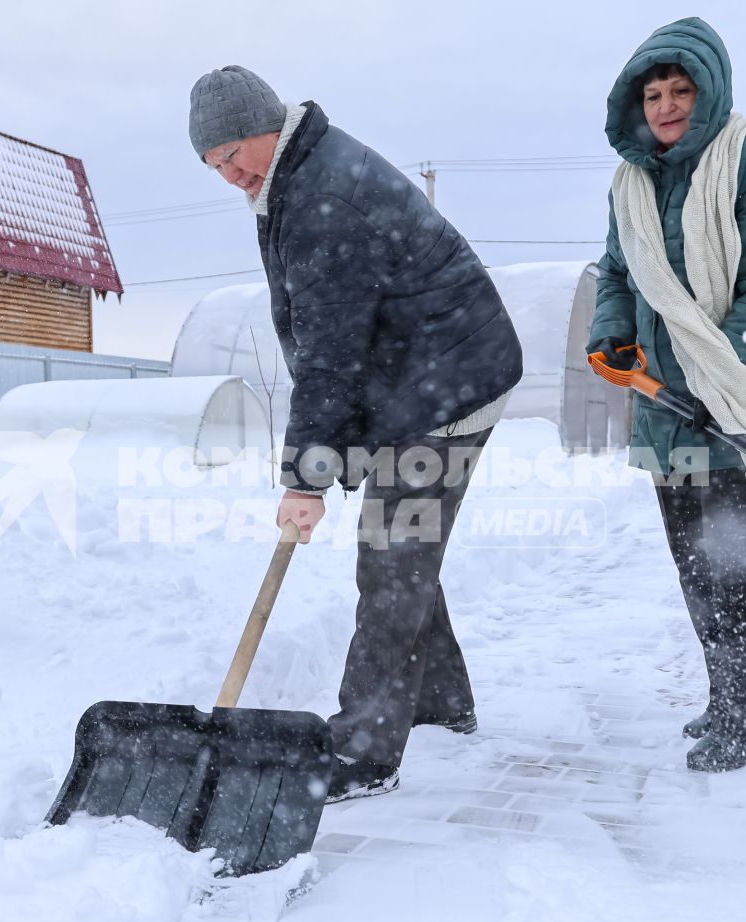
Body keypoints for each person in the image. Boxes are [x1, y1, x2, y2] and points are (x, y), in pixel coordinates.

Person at [188, 66, 523, 802]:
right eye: (213, 163)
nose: (229, 172)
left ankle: (364, 752)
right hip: (418, 376)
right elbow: (327, 341)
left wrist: (306, 477)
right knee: (401, 543)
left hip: (447, 384)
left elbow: (330, 354)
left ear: (268, 124)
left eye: (234, 150)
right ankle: (440, 701)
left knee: (393, 554)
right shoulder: (296, 176)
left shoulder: (322, 196)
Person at [585, 18, 746, 772]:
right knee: (697, 567)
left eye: (681, 90)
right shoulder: (631, 185)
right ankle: (725, 696)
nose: (667, 105)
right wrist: (611, 333)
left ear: (708, 91)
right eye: (653, 94)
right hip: (665, 407)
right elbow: (617, 273)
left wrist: (724, 376)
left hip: (743, 402)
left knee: (741, 566)